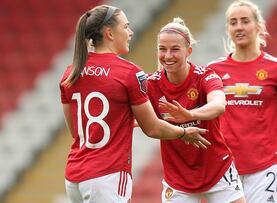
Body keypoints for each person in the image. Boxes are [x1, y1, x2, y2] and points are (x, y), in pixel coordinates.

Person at [59, 5, 211, 203]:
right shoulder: (129, 73)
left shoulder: (71, 72)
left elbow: (76, 131)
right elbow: (153, 128)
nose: (130, 32)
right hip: (107, 175)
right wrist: (183, 133)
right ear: (109, 33)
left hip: (74, 178)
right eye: (126, 27)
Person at [207, 1, 277, 202]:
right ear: (228, 29)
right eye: (233, 22)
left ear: (258, 25)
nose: (239, 27)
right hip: (224, 168)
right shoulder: (212, 70)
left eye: (245, 21)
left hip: (264, 168)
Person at [146, 17, 246, 203]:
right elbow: (143, 120)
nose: (167, 56)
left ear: (188, 51)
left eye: (175, 49)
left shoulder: (205, 76)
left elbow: (219, 105)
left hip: (218, 170)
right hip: (177, 178)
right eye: (162, 49)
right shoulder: (151, 84)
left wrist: (190, 115)